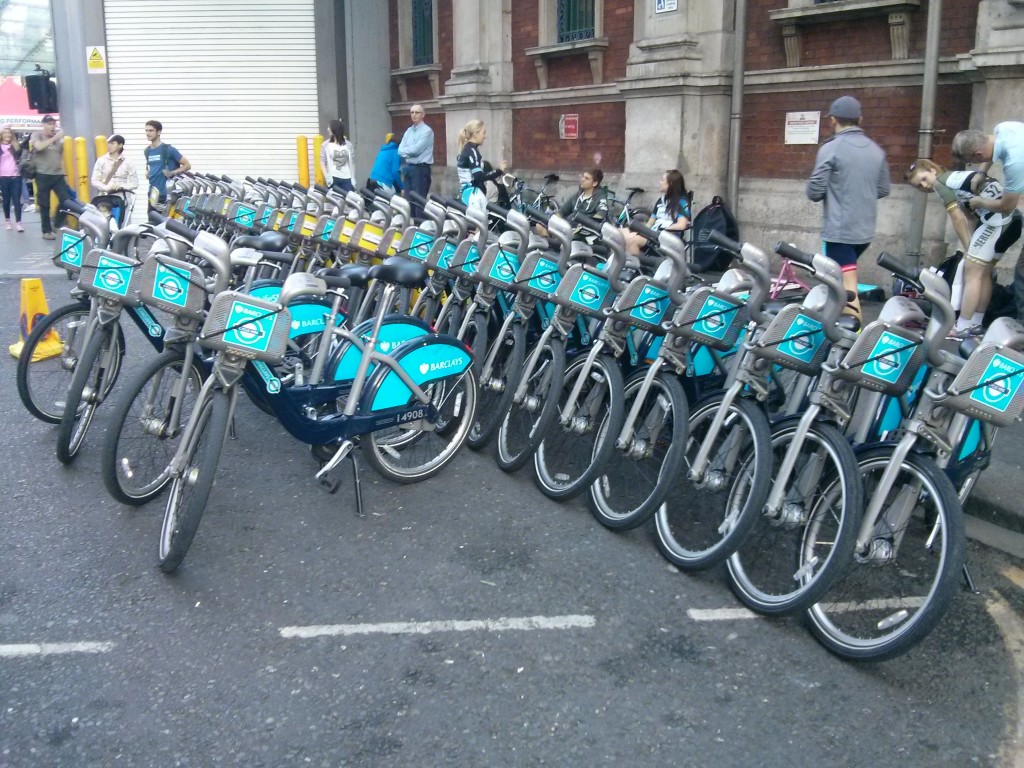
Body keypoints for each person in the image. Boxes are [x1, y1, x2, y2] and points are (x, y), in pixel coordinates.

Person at [906, 158, 1022, 339]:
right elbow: (971, 216)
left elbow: (958, 219)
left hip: (998, 222)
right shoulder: (957, 178)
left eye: (924, 179)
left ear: (933, 170)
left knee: (972, 273)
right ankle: (976, 323)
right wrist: (974, 245)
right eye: (919, 186)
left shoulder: (941, 184)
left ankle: (962, 326)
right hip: (1013, 221)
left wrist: (969, 248)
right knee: (984, 272)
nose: (925, 186)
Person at [806, 95, 891, 323]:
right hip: (864, 231)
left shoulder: (831, 148)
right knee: (838, 280)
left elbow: (814, 191)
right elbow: (883, 189)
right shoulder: (876, 150)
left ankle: (853, 331)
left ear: (833, 119)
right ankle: (836, 323)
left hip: (839, 231)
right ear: (859, 119)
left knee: (846, 284)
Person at [952, 124, 1024, 326]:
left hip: (1006, 208)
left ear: (977, 155)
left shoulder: (1015, 162)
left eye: (973, 162)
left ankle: (1021, 331)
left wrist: (979, 202)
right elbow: (988, 152)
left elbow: (1007, 206)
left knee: (1022, 272)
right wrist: (981, 173)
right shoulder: (1003, 128)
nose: (976, 164)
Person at [622, 169, 691, 255]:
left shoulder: (682, 202)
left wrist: (662, 231)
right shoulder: (660, 201)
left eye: (662, 180)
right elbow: (650, 224)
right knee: (622, 232)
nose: (659, 182)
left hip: (666, 238)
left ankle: (633, 263)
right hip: (653, 234)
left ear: (670, 183)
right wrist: (640, 230)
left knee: (633, 239)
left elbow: (681, 225)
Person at [29, 115, 73, 240]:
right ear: (43, 125)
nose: (52, 127)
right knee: (44, 204)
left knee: (66, 200)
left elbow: (60, 156)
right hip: (42, 174)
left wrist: (64, 173)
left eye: (54, 124)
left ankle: (57, 224)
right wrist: (55, 137)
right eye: (49, 124)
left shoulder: (59, 139)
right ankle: (46, 231)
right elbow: (39, 147)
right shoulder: (37, 135)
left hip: (57, 174)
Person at [455, 119, 507, 213]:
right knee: (481, 222)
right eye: (484, 133)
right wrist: (498, 171)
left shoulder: (467, 149)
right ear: (476, 134)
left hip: (467, 194)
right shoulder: (472, 151)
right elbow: (478, 176)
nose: (485, 136)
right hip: (473, 195)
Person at [91, 134, 139, 225]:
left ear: (120, 145)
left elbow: (135, 183)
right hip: (105, 198)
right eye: (108, 143)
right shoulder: (101, 160)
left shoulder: (128, 162)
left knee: (123, 224)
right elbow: (94, 180)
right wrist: (106, 187)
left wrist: (121, 186)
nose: (109, 145)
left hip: (123, 198)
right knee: (104, 224)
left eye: (112, 143)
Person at [144, 119, 190, 212]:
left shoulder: (169, 149)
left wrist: (173, 172)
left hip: (167, 195)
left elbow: (187, 165)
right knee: (152, 219)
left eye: (151, 130)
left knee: (166, 220)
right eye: (146, 131)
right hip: (153, 194)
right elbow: (150, 168)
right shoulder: (147, 151)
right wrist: (148, 173)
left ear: (159, 132)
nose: (148, 133)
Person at [398, 103, 434, 218]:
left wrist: (407, 151)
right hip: (409, 168)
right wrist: (409, 151)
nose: (414, 115)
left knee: (418, 202)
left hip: (420, 169)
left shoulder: (427, 131)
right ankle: (410, 224)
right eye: (412, 112)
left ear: (423, 115)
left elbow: (416, 150)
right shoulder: (409, 130)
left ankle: (420, 226)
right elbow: (399, 150)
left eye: (417, 112)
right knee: (408, 202)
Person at [321, 120, 355, 195]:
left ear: (335, 129)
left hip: (347, 178)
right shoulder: (325, 145)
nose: (327, 129)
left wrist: (353, 178)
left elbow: (352, 162)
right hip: (333, 178)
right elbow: (322, 162)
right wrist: (327, 177)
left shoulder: (348, 145)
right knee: (334, 199)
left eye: (329, 127)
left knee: (349, 199)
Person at [0, 125, 24, 231]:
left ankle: (18, 222)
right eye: (5, 133)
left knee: (16, 200)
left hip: (16, 176)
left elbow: (23, 152)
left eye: (9, 133)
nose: (7, 135)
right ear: (1, 135)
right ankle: (7, 220)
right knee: (6, 200)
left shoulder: (16, 146)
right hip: (3, 176)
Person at [367, 132, 403, 197]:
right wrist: (402, 187)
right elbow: (395, 172)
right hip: (383, 184)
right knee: (396, 197)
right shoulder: (395, 152)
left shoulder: (383, 151)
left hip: (372, 181)